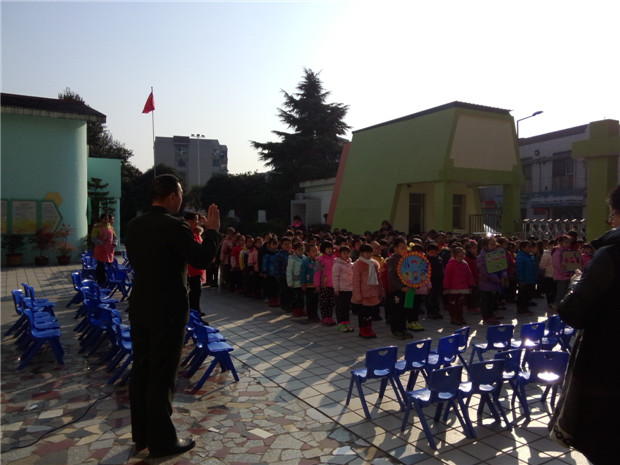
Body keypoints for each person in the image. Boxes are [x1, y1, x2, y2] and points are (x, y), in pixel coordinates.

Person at [125, 174, 220, 458]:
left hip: (141, 305)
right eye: (180, 194)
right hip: (167, 308)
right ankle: (162, 441)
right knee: (162, 374)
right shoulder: (173, 225)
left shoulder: (134, 225)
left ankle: (142, 435)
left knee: (142, 369)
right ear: (172, 196)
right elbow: (200, 259)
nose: (181, 199)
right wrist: (212, 232)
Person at [549, 185, 620, 465]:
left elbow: (572, 312)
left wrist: (577, 282)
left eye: (612, 215)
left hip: (609, 371)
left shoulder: (611, 255)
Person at [352, 243, 384, 338]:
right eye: (366, 252)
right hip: (363, 294)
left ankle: (369, 328)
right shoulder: (358, 264)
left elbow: (378, 279)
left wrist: (381, 291)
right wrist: (357, 295)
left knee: (370, 313)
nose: (369, 254)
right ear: (361, 253)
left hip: (373, 293)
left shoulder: (374, 263)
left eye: (370, 252)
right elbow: (356, 281)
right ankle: (363, 330)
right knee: (363, 314)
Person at [385, 237, 414, 340]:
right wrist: (401, 287)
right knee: (396, 311)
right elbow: (392, 277)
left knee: (405, 310)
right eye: (402, 247)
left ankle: (403, 328)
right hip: (397, 290)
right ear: (395, 248)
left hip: (409, 289)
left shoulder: (408, 259)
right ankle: (396, 330)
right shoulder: (392, 260)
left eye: (405, 247)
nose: (404, 249)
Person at [443, 246, 474, 325]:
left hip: (462, 287)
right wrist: (446, 287)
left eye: (462, 256)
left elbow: (469, 275)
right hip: (453, 288)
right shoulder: (450, 265)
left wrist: (471, 284)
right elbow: (447, 277)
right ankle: (454, 317)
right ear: (454, 256)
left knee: (460, 303)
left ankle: (460, 316)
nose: (461, 258)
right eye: (459, 256)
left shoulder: (465, 264)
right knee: (453, 303)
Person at [183, 212, 206, 316]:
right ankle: (193, 313)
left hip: (197, 268)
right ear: (188, 221)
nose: (197, 222)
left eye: (197, 220)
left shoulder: (196, 233)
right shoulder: (186, 233)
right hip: (190, 268)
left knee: (197, 292)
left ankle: (196, 311)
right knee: (192, 292)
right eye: (195, 220)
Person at [91, 213, 117, 285]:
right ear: (101, 219)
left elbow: (115, 237)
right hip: (101, 250)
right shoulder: (97, 227)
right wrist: (102, 244)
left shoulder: (111, 227)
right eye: (105, 219)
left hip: (109, 250)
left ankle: (109, 280)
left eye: (107, 219)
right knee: (100, 266)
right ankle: (100, 281)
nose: (106, 220)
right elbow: (93, 238)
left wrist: (114, 244)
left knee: (109, 265)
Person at [332, 245, 354, 332]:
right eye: (344, 253)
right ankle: (340, 323)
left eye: (348, 253)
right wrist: (336, 289)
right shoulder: (337, 265)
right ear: (340, 254)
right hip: (340, 290)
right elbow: (335, 277)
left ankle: (347, 322)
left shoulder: (351, 264)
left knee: (347, 307)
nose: (346, 255)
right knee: (340, 307)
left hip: (349, 289)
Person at [314, 241, 336, 326]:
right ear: (323, 249)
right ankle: (324, 317)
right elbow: (317, 273)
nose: (329, 250)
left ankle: (330, 317)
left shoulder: (335, 258)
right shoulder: (320, 259)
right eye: (327, 248)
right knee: (324, 302)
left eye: (331, 248)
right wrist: (317, 285)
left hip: (333, 284)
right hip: (324, 285)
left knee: (331, 302)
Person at [515, 240, 537, 316]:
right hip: (524, 279)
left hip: (531, 279)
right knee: (523, 295)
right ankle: (521, 309)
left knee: (528, 295)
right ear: (523, 248)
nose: (530, 248)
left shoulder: (530, 256)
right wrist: (521, 280)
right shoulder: (520, 257)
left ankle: (526, 308)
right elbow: (519, 269)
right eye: (528, 247)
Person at [286, 242, 306, 317]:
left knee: (302, 297)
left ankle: (302, 310)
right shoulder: (292, 259)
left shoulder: (305, 258)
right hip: (295, 283)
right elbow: (289, 271)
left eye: (302, 250)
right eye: (299, 250)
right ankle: (296, 310)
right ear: (295, 250)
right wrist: (290, 282)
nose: (301, 252)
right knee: (295, 297)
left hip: (302, 282)